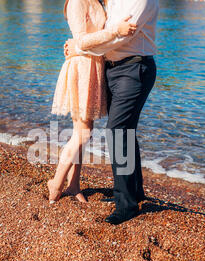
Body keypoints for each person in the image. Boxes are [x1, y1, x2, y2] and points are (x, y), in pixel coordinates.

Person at [64, 0, 159, 224]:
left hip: (134, 68)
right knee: (125, 131)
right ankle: (134, 193)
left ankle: (126, 205)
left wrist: (79, 46)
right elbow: (106, 32)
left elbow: (121, 37)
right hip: (114, 70)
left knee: (117, 130)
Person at [47, 0, 137, 204]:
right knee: (83, 132)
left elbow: (90, 42)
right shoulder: (76, 2)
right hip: (82, 69)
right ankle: (57, 181)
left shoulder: (97, 1)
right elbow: (83, 40)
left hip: (93, 67)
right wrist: (116, 31)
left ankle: (74, 184)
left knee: (84, 129)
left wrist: (80, 47)